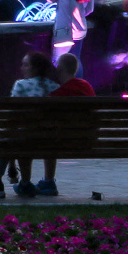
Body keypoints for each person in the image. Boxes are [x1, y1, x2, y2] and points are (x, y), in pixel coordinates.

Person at [0, 51, 58, 198]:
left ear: (35, 68)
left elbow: (12, 115)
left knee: (7, 139)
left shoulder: (21, 85)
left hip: (25, 139)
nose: (22, 68)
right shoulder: (54, 86)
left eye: (26, 65)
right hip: (50, 140)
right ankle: (25, 182)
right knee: (15, 137)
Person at [33, 52, 96, 197]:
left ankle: (47, 181)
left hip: (62, 141)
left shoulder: (58, 92)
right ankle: (48, 181)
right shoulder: (86, 86)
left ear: (60, 69)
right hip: (89, 139)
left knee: (48, 133)